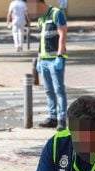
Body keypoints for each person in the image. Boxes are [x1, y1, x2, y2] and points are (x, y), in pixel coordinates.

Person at [35, 0, 68, 131]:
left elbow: (63, 34)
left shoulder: (56, 13)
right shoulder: (41, 18)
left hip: (55, 59)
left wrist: (60, 55)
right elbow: (42, 39)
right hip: (44, 59)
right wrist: (38, 58)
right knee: (48, 90)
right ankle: (52, 117)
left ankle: (62, 119)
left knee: (59, 89)